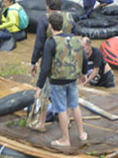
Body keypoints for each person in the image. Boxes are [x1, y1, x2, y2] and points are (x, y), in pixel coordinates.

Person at [34, 13, 89, 147]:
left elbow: (45, 67)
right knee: (75, 105)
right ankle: (82, 134)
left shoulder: (50, 42)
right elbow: (84, 58)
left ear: (50, 26)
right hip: (73, 78)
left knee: (61, 109)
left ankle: (65, 139)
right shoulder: (76, 39)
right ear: (64, 25)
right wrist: (84, 73)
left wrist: (39, 86)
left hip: (58, 81)